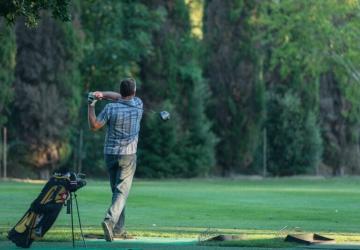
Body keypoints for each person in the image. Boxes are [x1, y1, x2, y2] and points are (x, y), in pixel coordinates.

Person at [87, 78, 143, 241]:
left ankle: (118, 230)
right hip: (128, 155)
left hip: (110, 154)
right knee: (121, 193)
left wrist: (92, 104)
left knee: (117, 193)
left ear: (121, 91)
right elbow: (122, 96)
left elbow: (94, 126)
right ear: (133, 92)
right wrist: (103, 95)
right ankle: (109, 222)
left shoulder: (111, 108)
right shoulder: (138, 104)